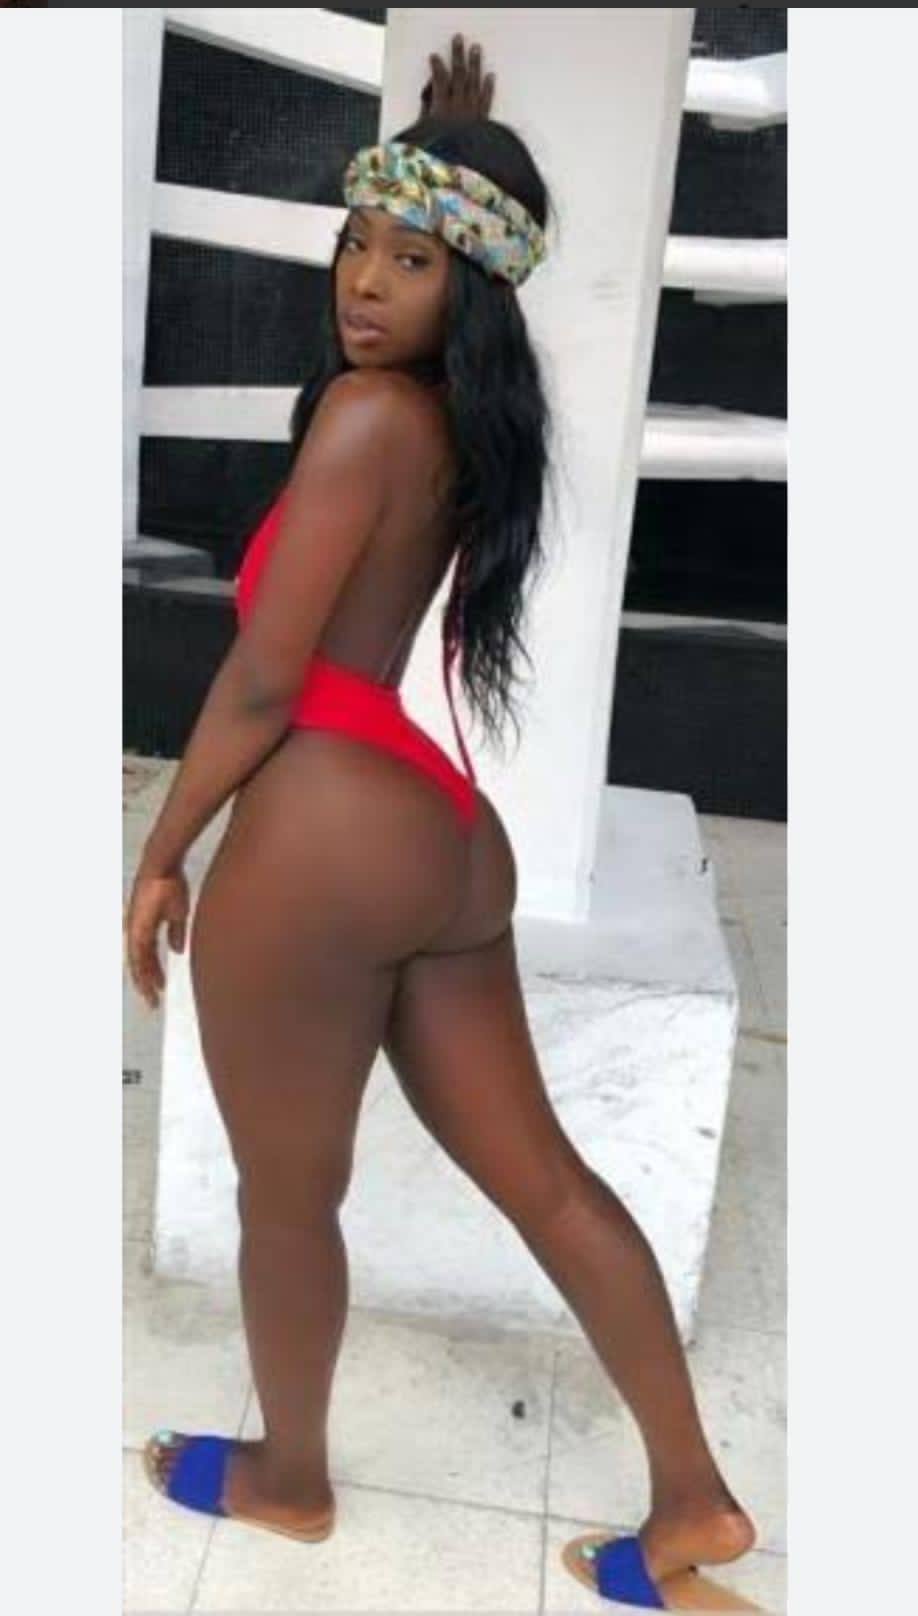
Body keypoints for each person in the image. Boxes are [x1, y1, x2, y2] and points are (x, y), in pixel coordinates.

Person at [124, 36, 759, 1613]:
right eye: (355, 244)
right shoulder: (464, 416)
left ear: (468, 285)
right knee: (544, 1179)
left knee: (289, 1197)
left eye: (409, 260)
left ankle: (287, 1479)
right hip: (442, 837)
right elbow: (455, 243)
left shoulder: (362, 417)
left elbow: (263, 682)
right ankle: (691, 1501)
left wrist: (160, 845)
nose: (362, 280)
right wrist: (450, 143)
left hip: (325, 839)